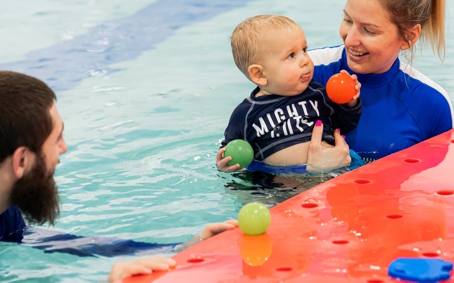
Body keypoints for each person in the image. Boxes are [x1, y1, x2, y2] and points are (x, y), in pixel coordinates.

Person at [0, 71, 237, 282]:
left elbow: (36, 240)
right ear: (21, 161)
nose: (64, 148)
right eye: (56, 139)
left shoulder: (6, 206)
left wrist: (183, 246)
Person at [308, 0, 454, 165]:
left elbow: (434, 189)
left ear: (409, 37)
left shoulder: (431, 104)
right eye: (348, 20)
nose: (349, 39)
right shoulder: (306, 72)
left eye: (369, 30)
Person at [216, 15, 364, 174]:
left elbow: (344, 125)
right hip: (278, 184)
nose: (305, 60)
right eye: (291, 55)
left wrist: (350, 102)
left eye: (304, 50)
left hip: (332, 171)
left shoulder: (317, 94)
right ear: (259, 74)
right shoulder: (246, 115)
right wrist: (226, 164)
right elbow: (230, 150)